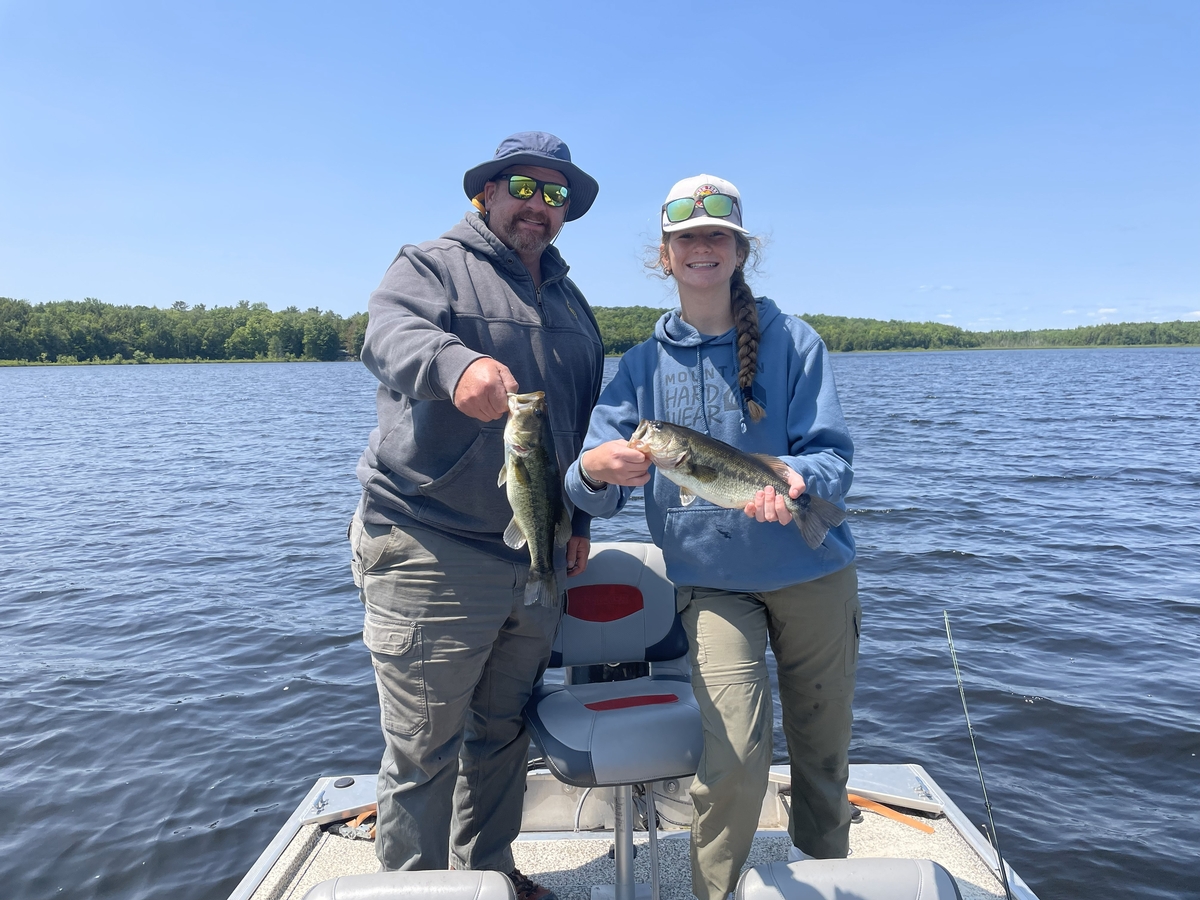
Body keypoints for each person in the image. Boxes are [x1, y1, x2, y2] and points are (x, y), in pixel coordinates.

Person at [564, 175, 859, 900]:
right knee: (733, 753)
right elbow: (585, 493)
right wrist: (596, 469)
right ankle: (717, 894)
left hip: (815, 573)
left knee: (823, 755)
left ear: (738, 251)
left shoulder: (796, 342)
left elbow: (834, 463)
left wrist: (789, 478)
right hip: (712, 586)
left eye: (716, 236)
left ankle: (827, 876)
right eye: (686, 238)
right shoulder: (637, 369)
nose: (702, 248)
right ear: (664, 256)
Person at [349, 132, 605, 900]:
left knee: (502, 735)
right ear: (486, 192)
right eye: (524, 187)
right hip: (429, 547)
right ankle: (417, 892)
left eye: (556, 196)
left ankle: (488, 876)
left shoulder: (568, 299)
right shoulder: (429, 264)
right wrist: (457, 366)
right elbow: (387, 336)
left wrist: (579, 523)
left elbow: (580, 430)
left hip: (534, 553)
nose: (539, 206)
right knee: (424, 749)